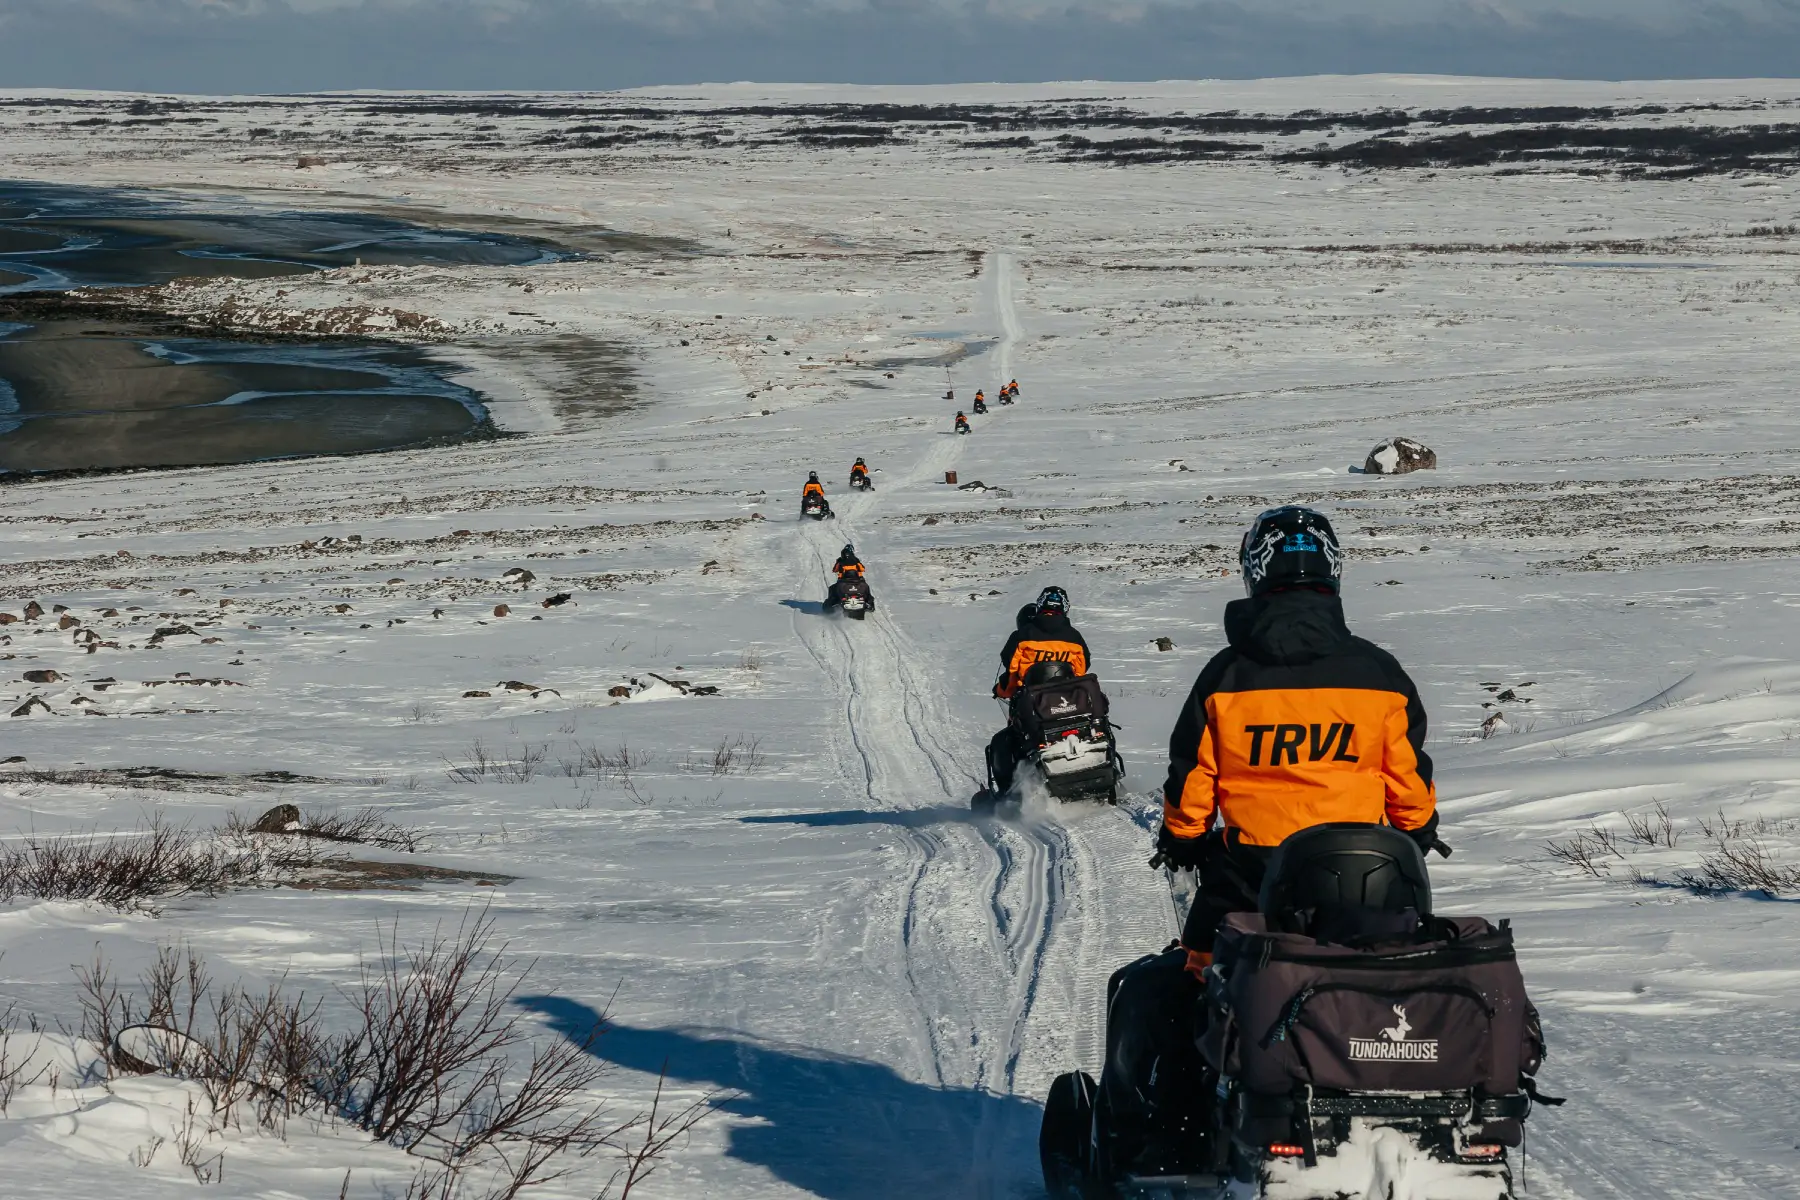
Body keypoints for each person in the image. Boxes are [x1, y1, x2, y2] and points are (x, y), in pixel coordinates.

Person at [1096, 505, 1443, 1174]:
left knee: (1173, 991)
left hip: (1247, 892)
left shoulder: (1226, 679)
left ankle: (1168, 1147)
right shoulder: (1380, 677)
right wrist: (1414, 835)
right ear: (1335, 573)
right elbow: (1412, 797)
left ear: (1256, 574)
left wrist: (1185, 838)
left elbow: (1191, 788)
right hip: (1369, 895)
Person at [983, 587, 1091, 796]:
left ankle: (1006, 794)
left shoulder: (1023, 636)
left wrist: (1001, 689)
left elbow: (1012, 672)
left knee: (1001, 742)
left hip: (1035, 709)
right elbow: (1081, 670)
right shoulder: (1075, 638)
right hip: (1071, 704)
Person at [824, 544, 874, 612]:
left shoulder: (840, 561)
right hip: (858, 581)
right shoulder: (856, 561)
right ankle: (869, 603)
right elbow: (862, 569)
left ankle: (831, 606)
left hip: (843, 582)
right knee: (866, 589)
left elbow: (835, 570)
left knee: (832, 589)